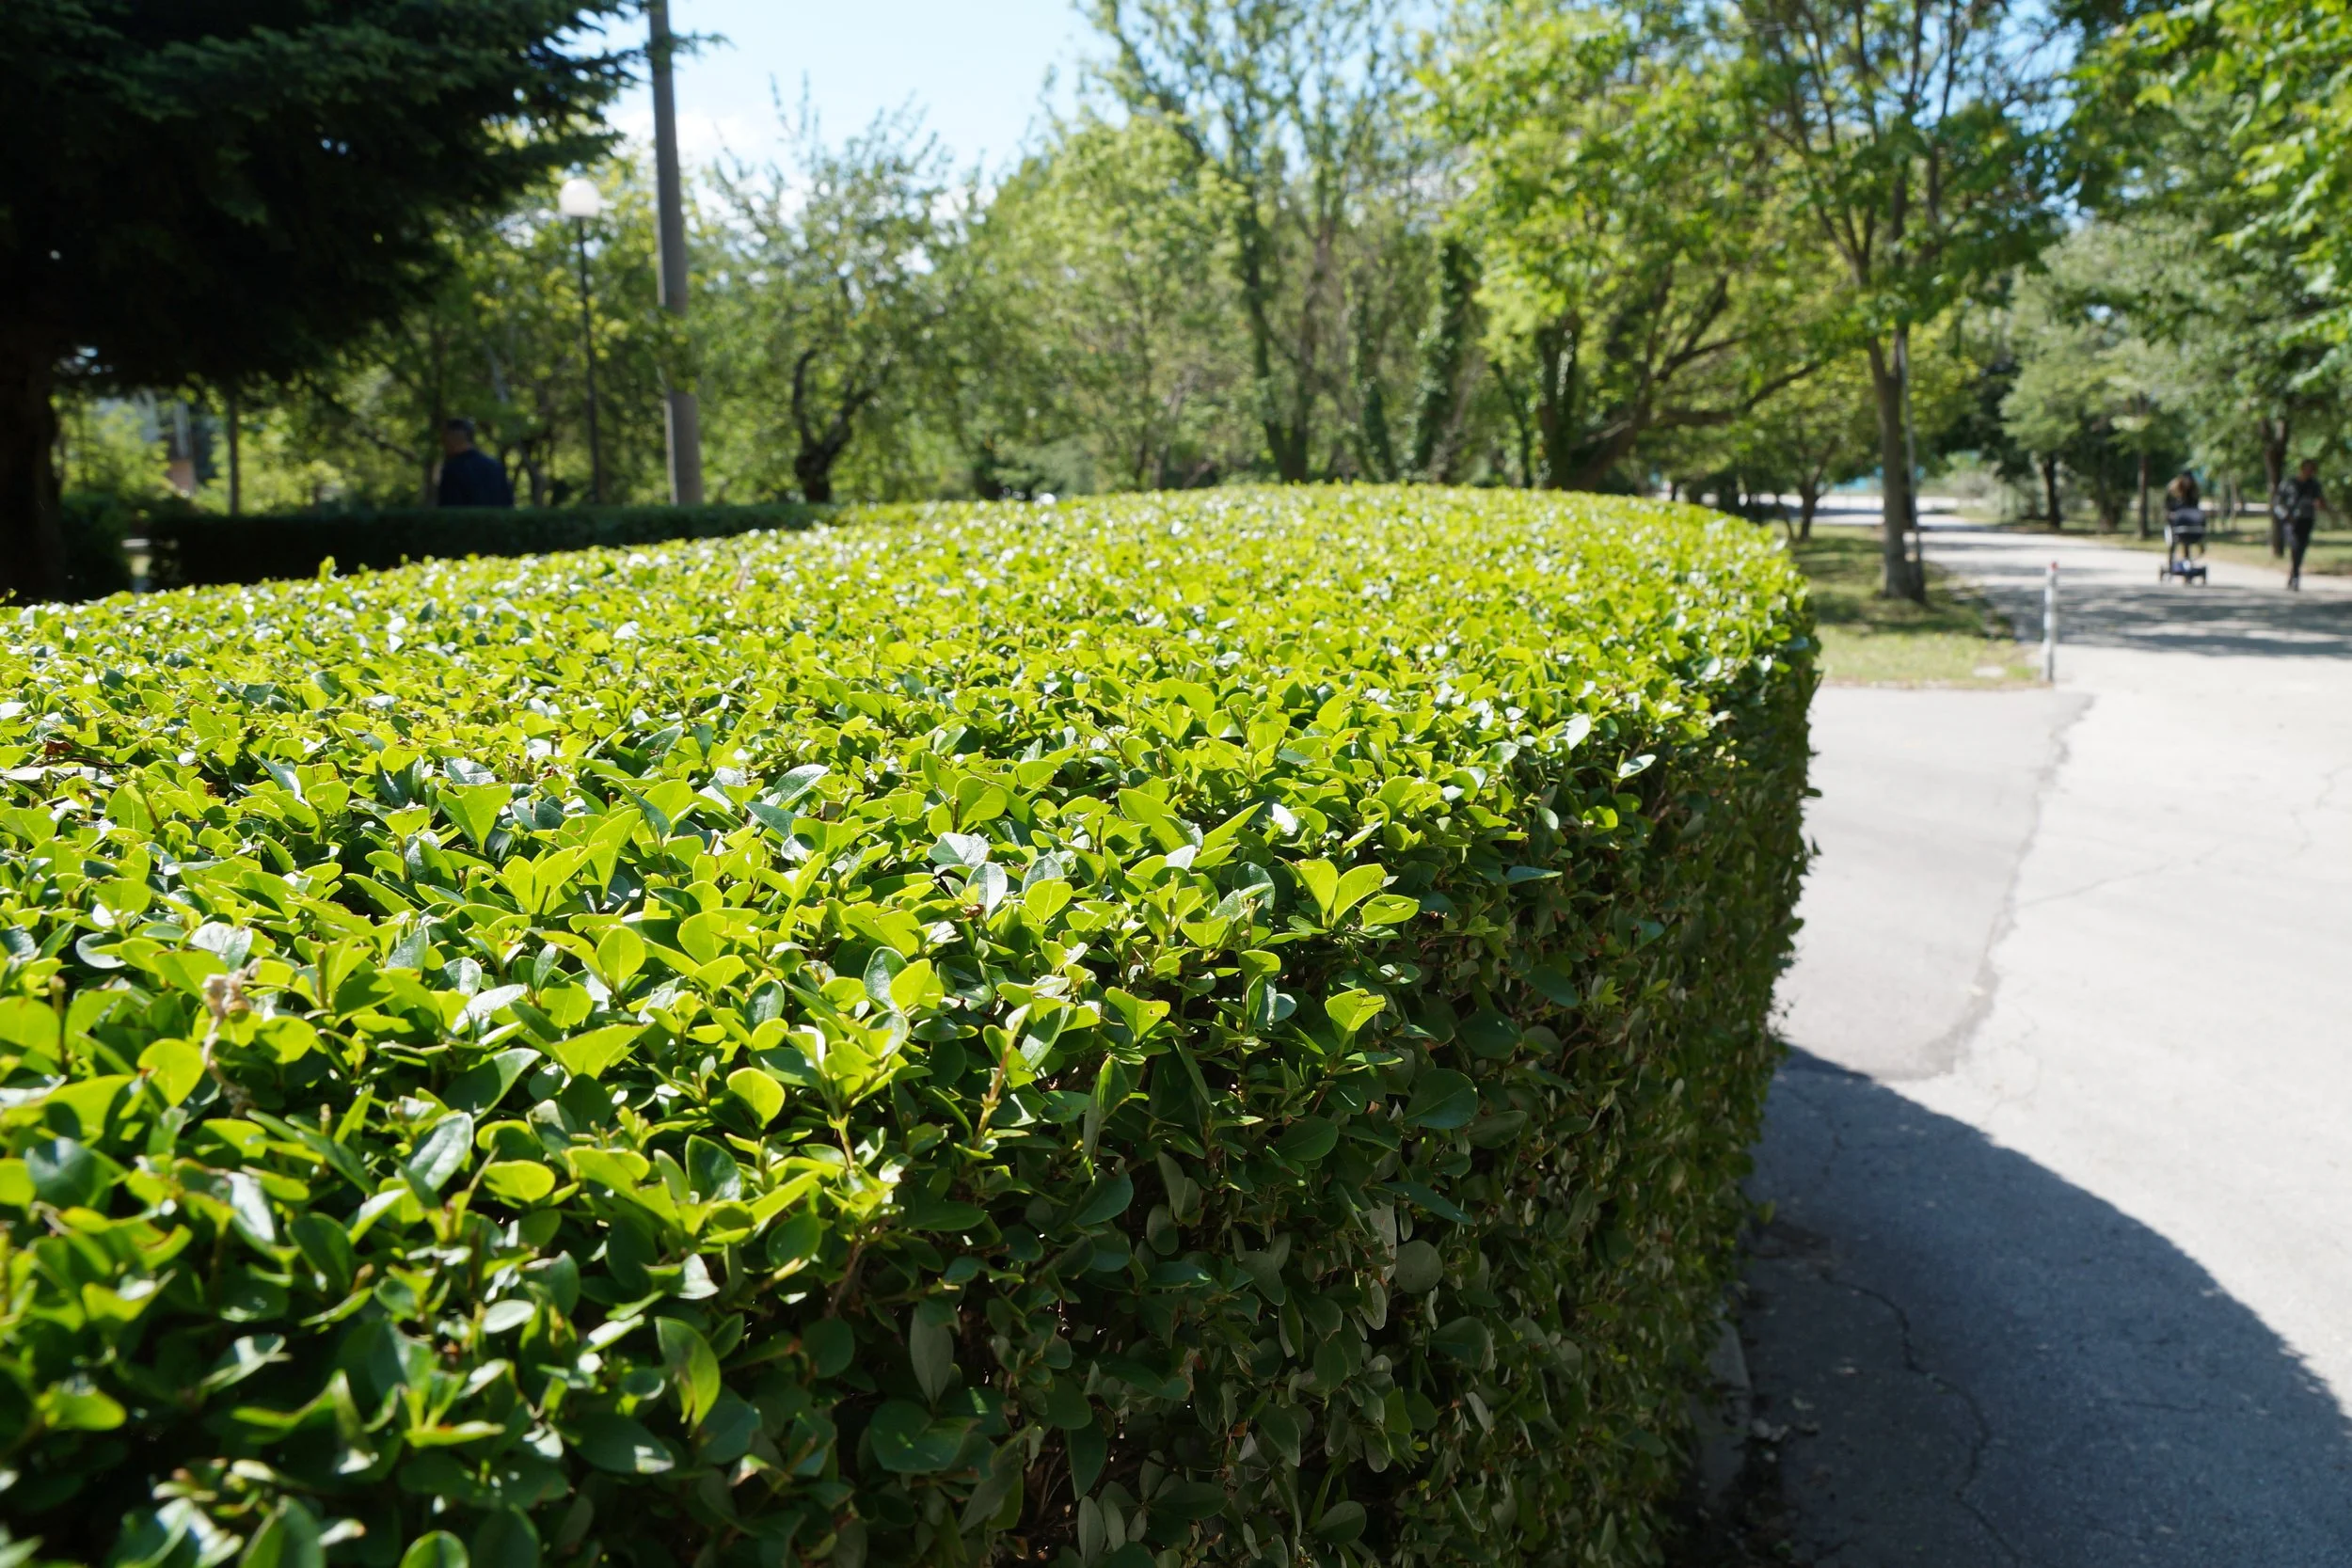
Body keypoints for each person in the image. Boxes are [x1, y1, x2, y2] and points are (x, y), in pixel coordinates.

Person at [2273, 459, 2330, 590]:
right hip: (2291, 521)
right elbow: (2278, 503)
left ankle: (2294, 574)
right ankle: (2295, 575)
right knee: (2294, 546)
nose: (2309, 472)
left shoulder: (2314, 485)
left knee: (2301, 548)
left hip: (2306, 519)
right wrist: (2286, 515)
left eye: (2312, 470)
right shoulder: (2289, 483)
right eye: (2307, 469)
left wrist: (2320, 505)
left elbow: (2321, 502)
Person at [437, 417, 515, 508]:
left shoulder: (452, 469)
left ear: (451, 439)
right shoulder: (495, 467)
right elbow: (508, 504)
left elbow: (449, 509)